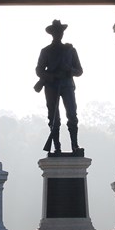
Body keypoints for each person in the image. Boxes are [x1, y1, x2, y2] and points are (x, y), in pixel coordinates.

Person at [34, 20, 83, 155]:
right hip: (51, 86)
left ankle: (75, 145)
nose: (58, 34)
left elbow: (79, 70)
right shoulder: (46, 51)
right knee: (54, 118)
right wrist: (52, 76)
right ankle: (57, 147)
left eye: (60, 32)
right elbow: (39, 70)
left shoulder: (70, 50)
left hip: (67, 85)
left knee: (72, 115)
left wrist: (69, 70)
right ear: (52, 34)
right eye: (56, 32)